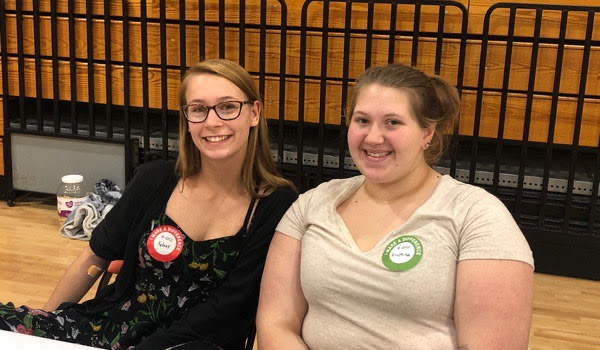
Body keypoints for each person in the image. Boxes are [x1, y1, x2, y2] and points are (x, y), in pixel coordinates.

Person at [0, 59, 297, 350]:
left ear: (254, 112)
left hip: (192, 344)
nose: (212, 121)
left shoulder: (276, 204)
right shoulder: (155, 179)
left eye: (228, 107)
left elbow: (228, 309)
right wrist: (39, 332)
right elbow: (92, 259)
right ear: (187, 120)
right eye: (198, 109)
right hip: (108, 328)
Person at [256, 63, 534, 349]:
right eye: (362, 120)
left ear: (427, 132)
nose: (374, 137)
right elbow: (275, 324)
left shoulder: (477, 216)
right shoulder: (312, 205)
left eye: (392, 122)